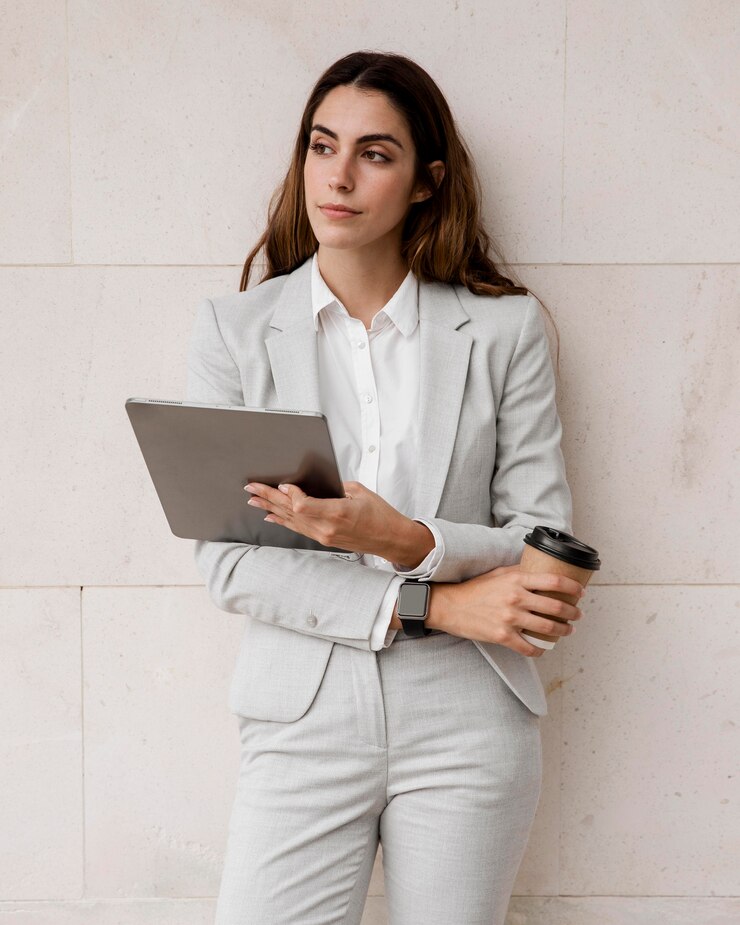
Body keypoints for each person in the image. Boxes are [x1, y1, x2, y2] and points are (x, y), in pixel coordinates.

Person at [186, 50, 584, 925]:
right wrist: (437, 603)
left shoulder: (506, 330)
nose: (338, 174)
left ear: (425, 182)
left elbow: (544, 546)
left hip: (469, 712)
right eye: (322, 146)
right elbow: (234, 566)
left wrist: (402, 537)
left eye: (375, 153)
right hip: (303, 709)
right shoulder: (235, 331)